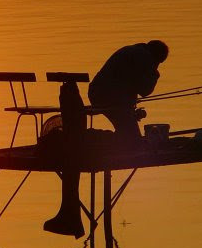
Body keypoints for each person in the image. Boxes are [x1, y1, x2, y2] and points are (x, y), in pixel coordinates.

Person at [43, 40, 169, 237]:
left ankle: (105, 140)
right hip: (110, 98)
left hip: (101, 93)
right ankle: (102, 141)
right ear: (157, 57)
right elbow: (145, 89)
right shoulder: (145, 58)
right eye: (159, 63)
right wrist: (155, 73)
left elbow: (129, 82)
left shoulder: (133, 51)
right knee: (132, 143)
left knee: (130, 138)